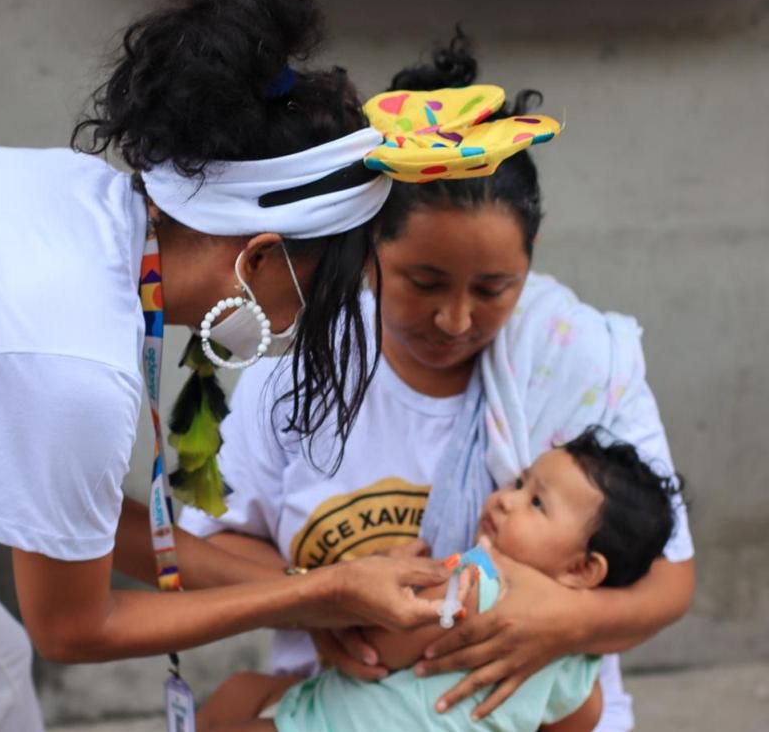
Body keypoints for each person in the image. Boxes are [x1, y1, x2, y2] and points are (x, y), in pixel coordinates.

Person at [0, 0, 461, 730]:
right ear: (259, 256)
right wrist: (313, 596)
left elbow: (77, 525)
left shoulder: (87, 210)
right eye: (323, 292)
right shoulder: (76, 362)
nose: (311, 319)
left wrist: (320, 582)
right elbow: (75, 628)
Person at [178, 36, 695, 731]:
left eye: (494, 287)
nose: (456, 319)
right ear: (366, 249)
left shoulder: (575, 360)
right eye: (424, 283)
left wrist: (564, 621)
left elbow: (669, 579)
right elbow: (207, 548)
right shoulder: (301, 376)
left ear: (530, 260)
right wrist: (318, 597)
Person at [198, 428, 683, 732]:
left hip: (335, 722)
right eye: (519, 484)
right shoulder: (583, 673)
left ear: (582, 568)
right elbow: (580, 720)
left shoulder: (474, 580)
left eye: (536, 503)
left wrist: (373, 575)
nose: (506, 499)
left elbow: (375, 646)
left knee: (237, 697)